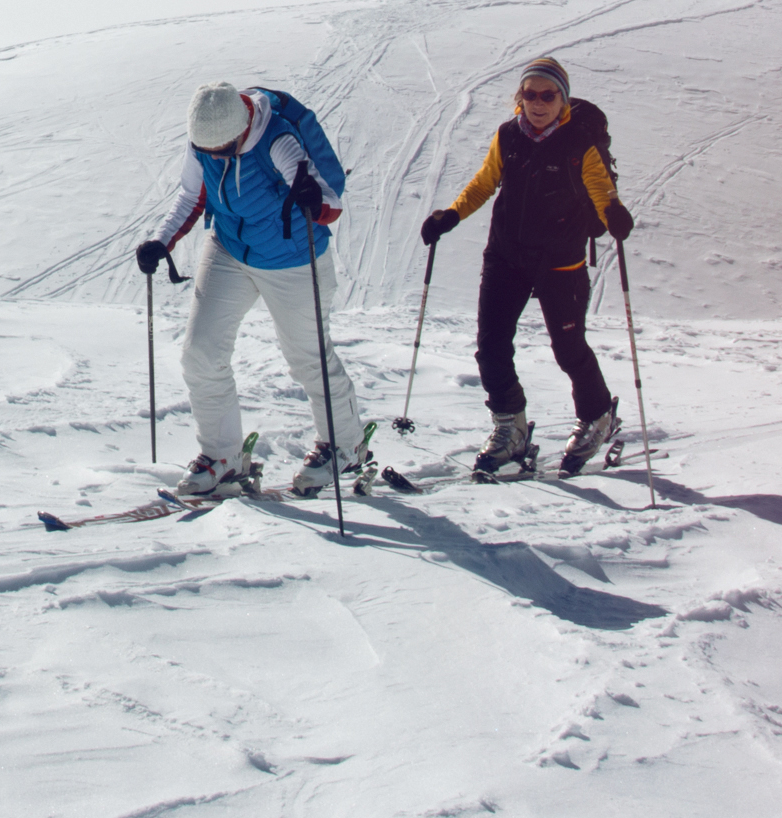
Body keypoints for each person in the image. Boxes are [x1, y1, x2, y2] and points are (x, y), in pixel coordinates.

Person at [134, 81, 369, 500]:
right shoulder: (204, 140)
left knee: (308, 357)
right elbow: (192, 194)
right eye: (208, 151)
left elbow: (329, 202)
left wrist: (313, 198)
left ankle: (346, 446)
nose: (215, 157)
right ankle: (222, 457)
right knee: (200, 353)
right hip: (228, 248)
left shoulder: (277, 137)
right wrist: (161, 240)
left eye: (223, 150)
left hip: (291, 258)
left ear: (242, 129)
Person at [421, 55, 633, 477]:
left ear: (562, 99)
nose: (538, 103)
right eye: (530, 94)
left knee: (569, 350)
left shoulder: (578, 143)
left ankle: (597, 416)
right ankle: (509, 426)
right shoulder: (508, 136)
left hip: (560, 262)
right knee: (491, 347)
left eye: (547, 95)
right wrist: (451, 215)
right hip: (506, 256)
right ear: (520, 98)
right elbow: (485, 182)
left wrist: (614, 214)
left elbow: (599, 188)